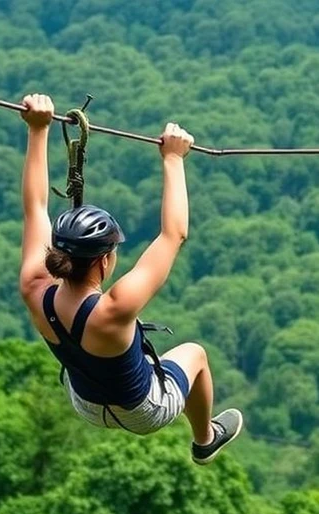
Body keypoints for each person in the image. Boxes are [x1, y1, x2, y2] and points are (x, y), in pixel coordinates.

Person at [16, 93, 242, 465]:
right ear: (105, 261)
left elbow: (35, 208)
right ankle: (205, 439)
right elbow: (174, 235)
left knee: (96, 358)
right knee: (195, 355)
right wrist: (173, 159)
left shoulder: (34, 286)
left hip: (86, 402)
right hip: (142, 410)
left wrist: (37, 131)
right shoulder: (114, 308)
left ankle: (204, 437)